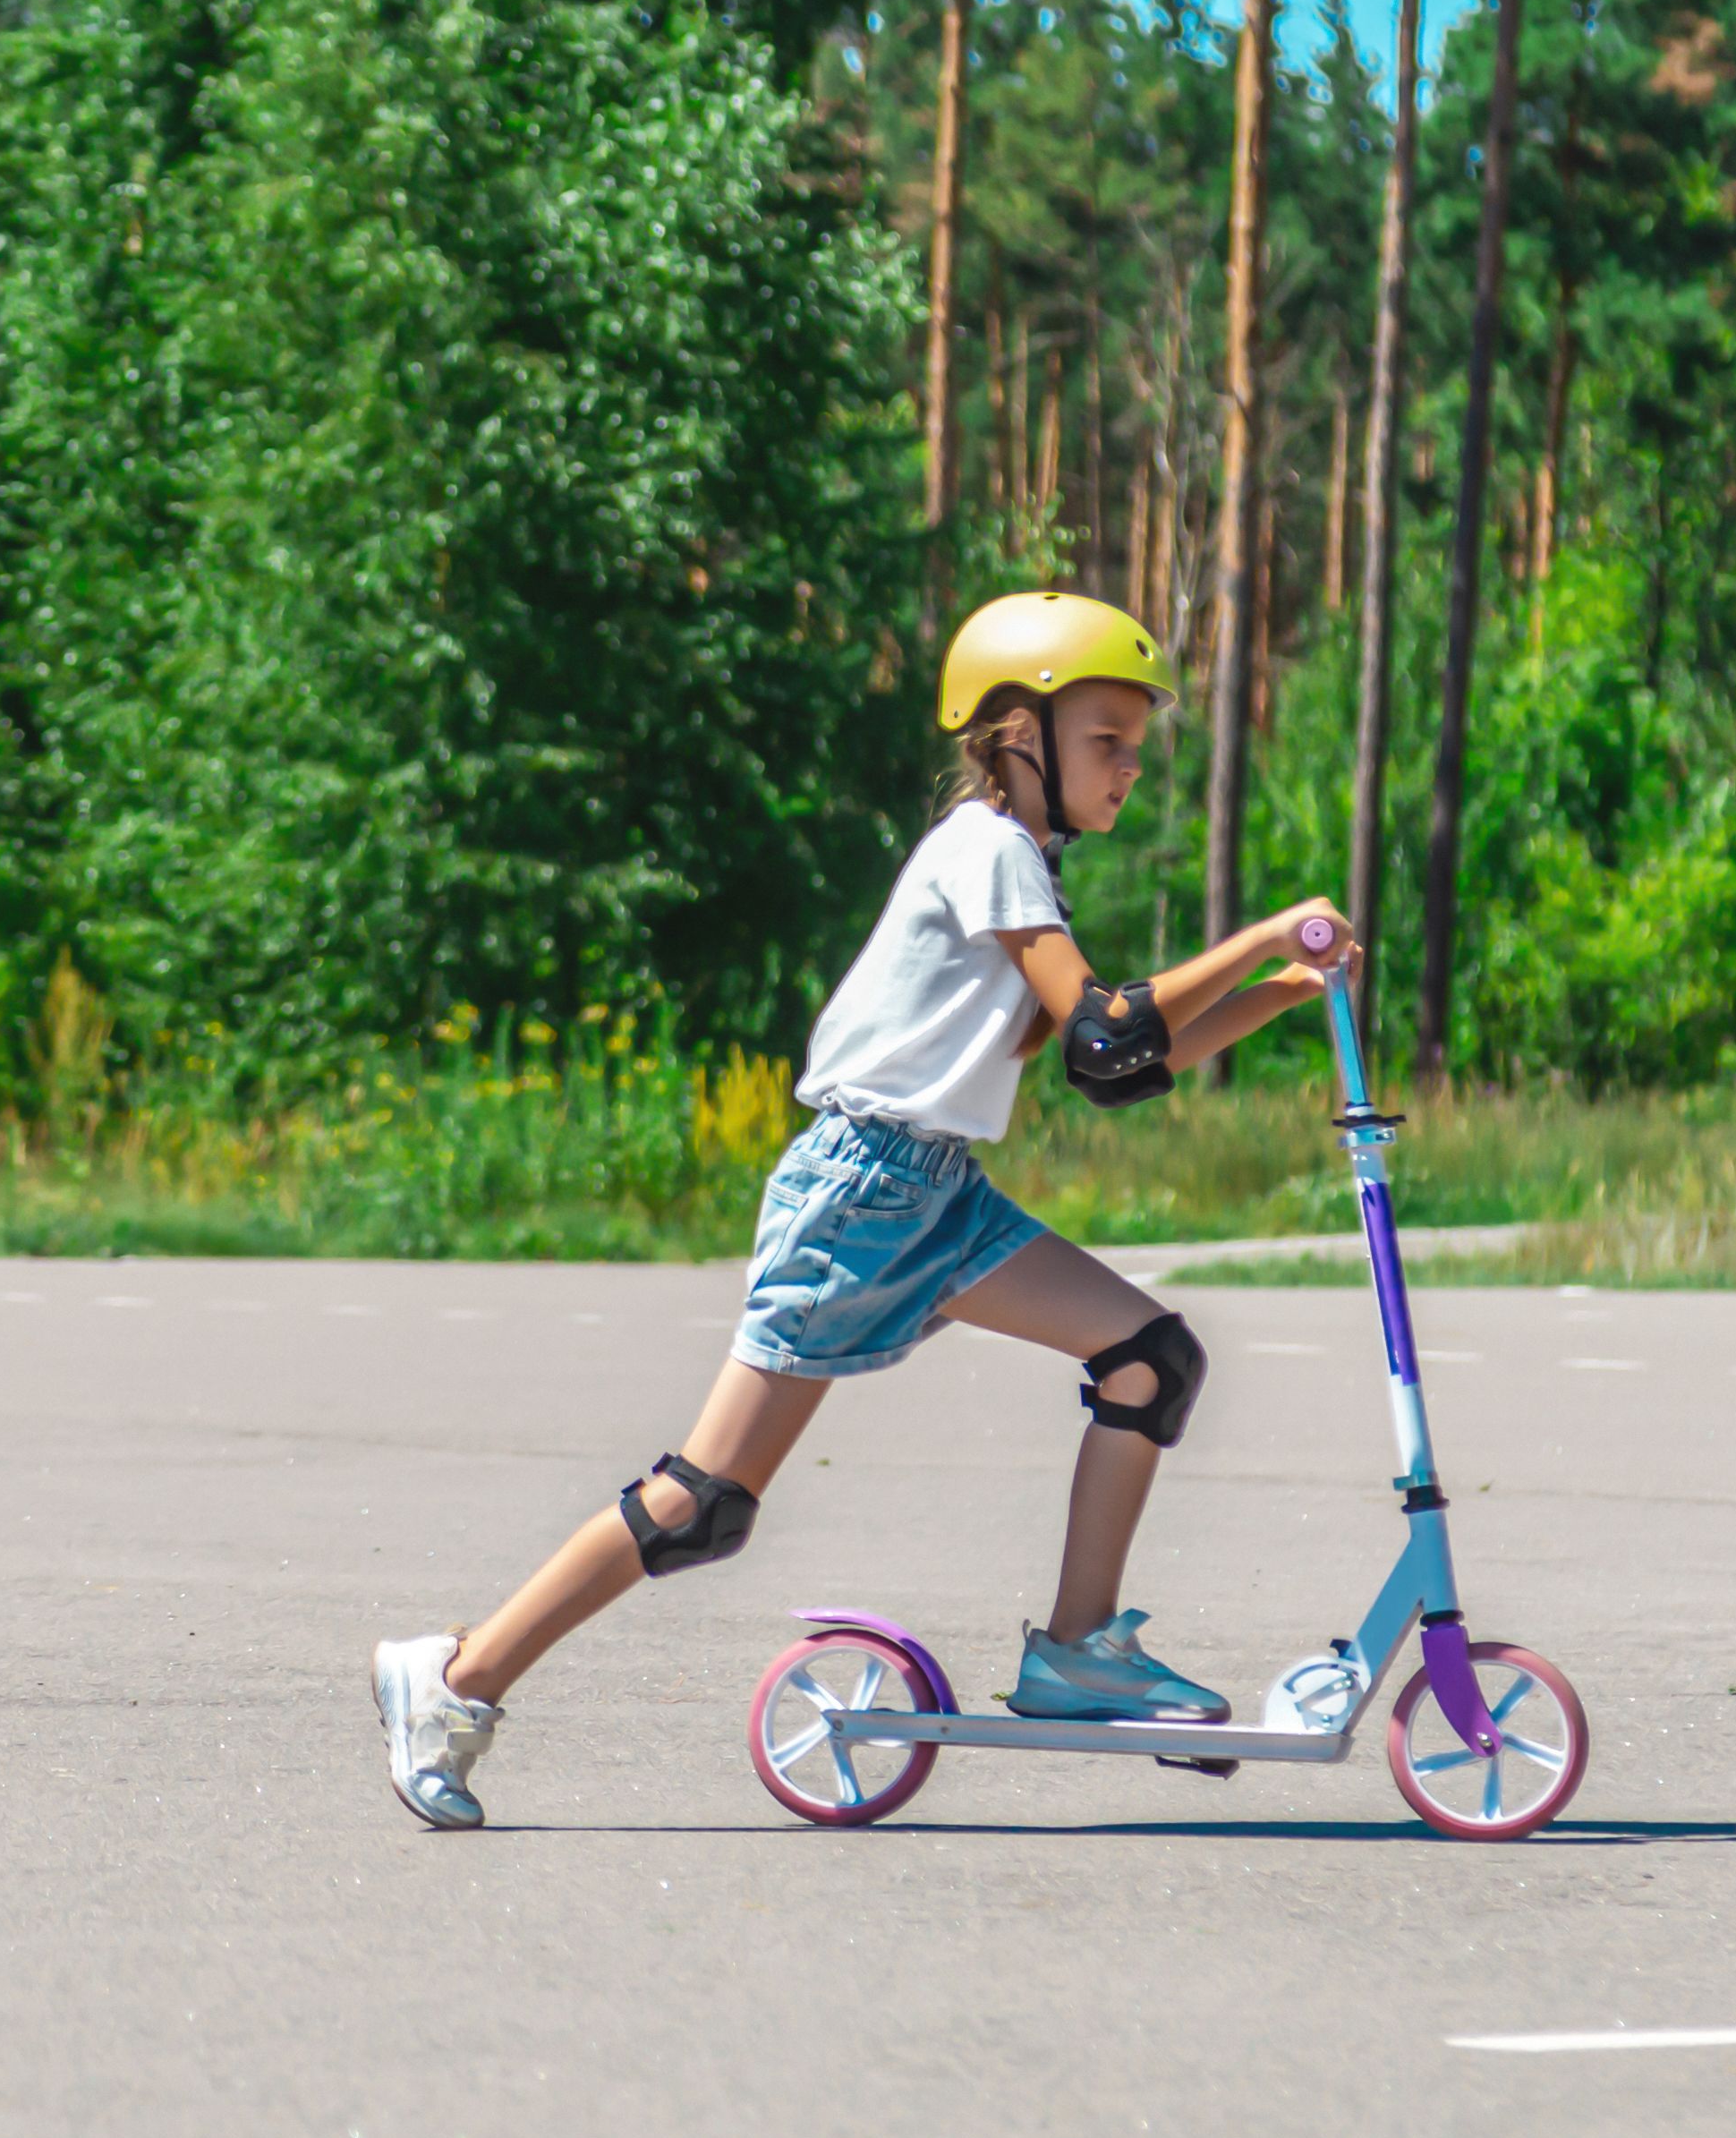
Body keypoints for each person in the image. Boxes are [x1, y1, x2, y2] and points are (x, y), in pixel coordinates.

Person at [369, 590, 1357, 1830]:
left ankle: (1076, 1652)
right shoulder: (987, 847)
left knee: (1148, 1362)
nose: (1128, 770)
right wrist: (1265, 934)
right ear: (1016, 737)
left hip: (931, 1193)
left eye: (1137, 749)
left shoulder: (1021, 866)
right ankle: (454, 1679)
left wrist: (1286, 991)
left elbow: (1109, 1067)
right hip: (860, 1191)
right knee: (702, 1503)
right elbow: (1110, 1023)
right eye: (1107, 740)